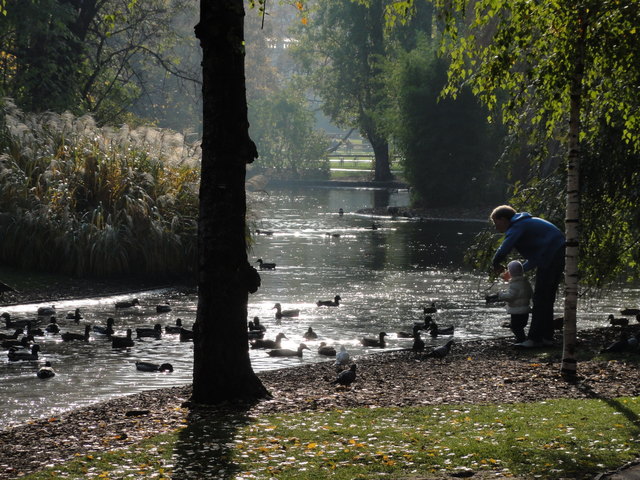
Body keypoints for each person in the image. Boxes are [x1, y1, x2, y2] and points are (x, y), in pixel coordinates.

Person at [490, 205, 565, 347]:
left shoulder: (518, 225)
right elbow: (535, 259)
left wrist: (495, 262)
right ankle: (546, 337)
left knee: (541, 298)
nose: (495, 227)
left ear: (504, 219)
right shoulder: (524, 223)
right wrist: (514, 273)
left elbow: (505, 247)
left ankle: (534, 339)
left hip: (553, 255)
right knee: (546, 299)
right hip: (556, 254)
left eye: (496, 222)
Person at [486, 260, 532, 343]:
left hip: (517, 311)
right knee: (520, 326)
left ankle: (521, 340)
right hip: (525, 310)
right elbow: (530, 293)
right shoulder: (526, 282)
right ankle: (522, 339)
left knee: (516, 327)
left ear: (511, 273)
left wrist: (500, 294)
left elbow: (510, 297)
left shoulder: (514, 284)